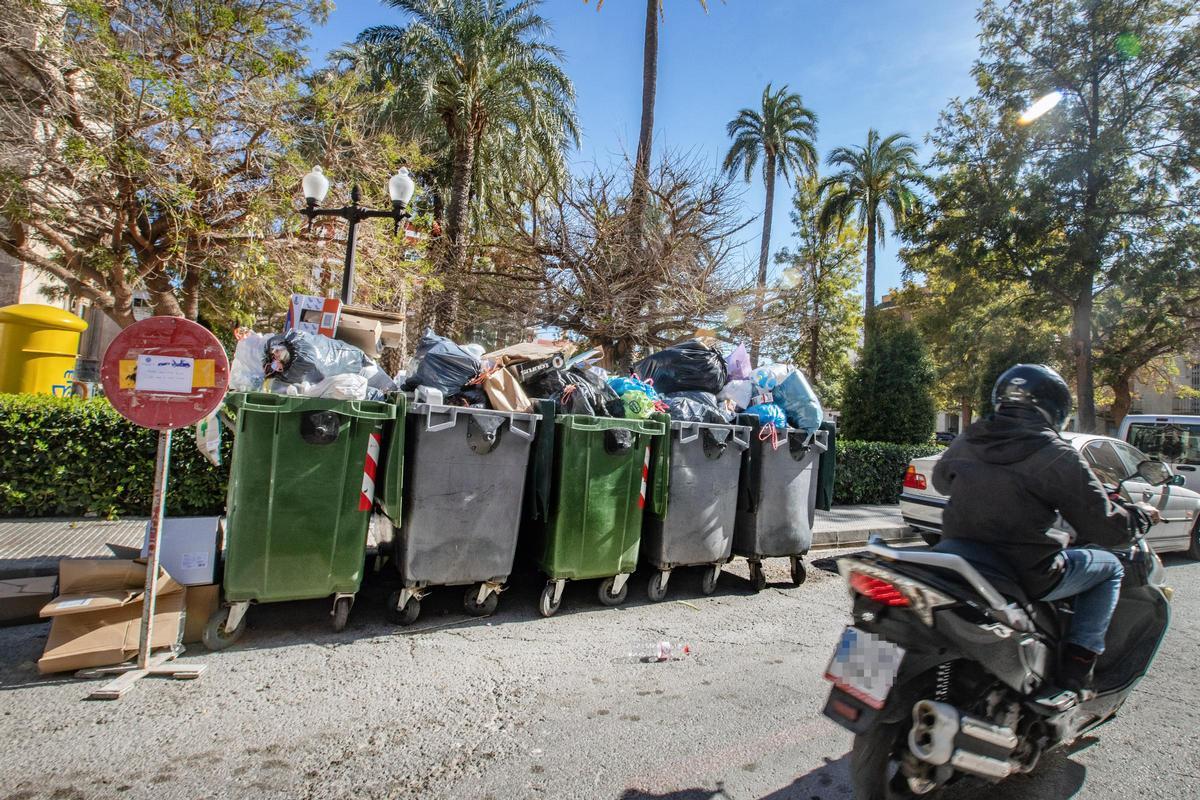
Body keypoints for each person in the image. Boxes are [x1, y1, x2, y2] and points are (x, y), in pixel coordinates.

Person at [932, 364, 1158, 695]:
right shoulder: (1054, 453)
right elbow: (1108, 529)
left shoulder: (972, 437)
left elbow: (940, 482)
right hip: (1022, 569)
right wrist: (1142, 517)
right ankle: (1077, 669)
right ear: (1056, 407)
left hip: (956, 555)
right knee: (1109, 567)